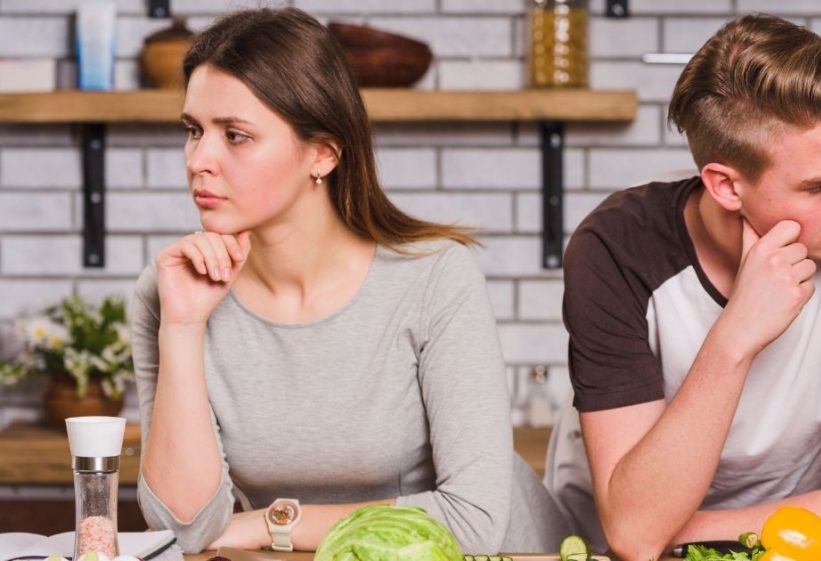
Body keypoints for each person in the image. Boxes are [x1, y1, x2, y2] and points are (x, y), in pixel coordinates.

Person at [128, 7, 568, 555]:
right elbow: (189, 528)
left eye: (235, 135)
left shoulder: (432, 276)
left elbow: (473, 517)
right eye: (194, 130)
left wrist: (274, 523)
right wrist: (183, 326)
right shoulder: (170, 290)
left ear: (323, 153)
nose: (199, 160)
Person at [543, 13, 821, 561]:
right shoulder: (615, 248)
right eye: (819, 185)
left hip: (794, 553)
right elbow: (631, 540)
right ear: (726, 186)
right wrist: (736, 336)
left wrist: (666, 531)